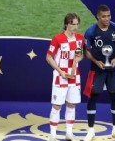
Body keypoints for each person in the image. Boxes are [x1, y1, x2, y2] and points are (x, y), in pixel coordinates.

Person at [83, 4, 115, 141]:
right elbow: (87, 51)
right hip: (97, 70)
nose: (107, 19)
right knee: (93, 96)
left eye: (108, 16)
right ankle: (90, 131)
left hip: (113, 69)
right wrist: (96, 62)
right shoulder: (91, 31)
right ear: (98, 16)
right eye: (104, 16)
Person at [46, 12, 84, 141]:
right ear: (67, 24)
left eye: (77, 24)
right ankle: (53, 135)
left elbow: (81, 55)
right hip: (60, 76)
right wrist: (60, 71)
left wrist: (79, 59)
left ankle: (69, 133)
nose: (75, 27)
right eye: (73, 24)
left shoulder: (80, 38)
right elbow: (49, 57)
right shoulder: (57, 39)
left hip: (74, 76)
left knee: (72, 105)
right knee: (57, 106)